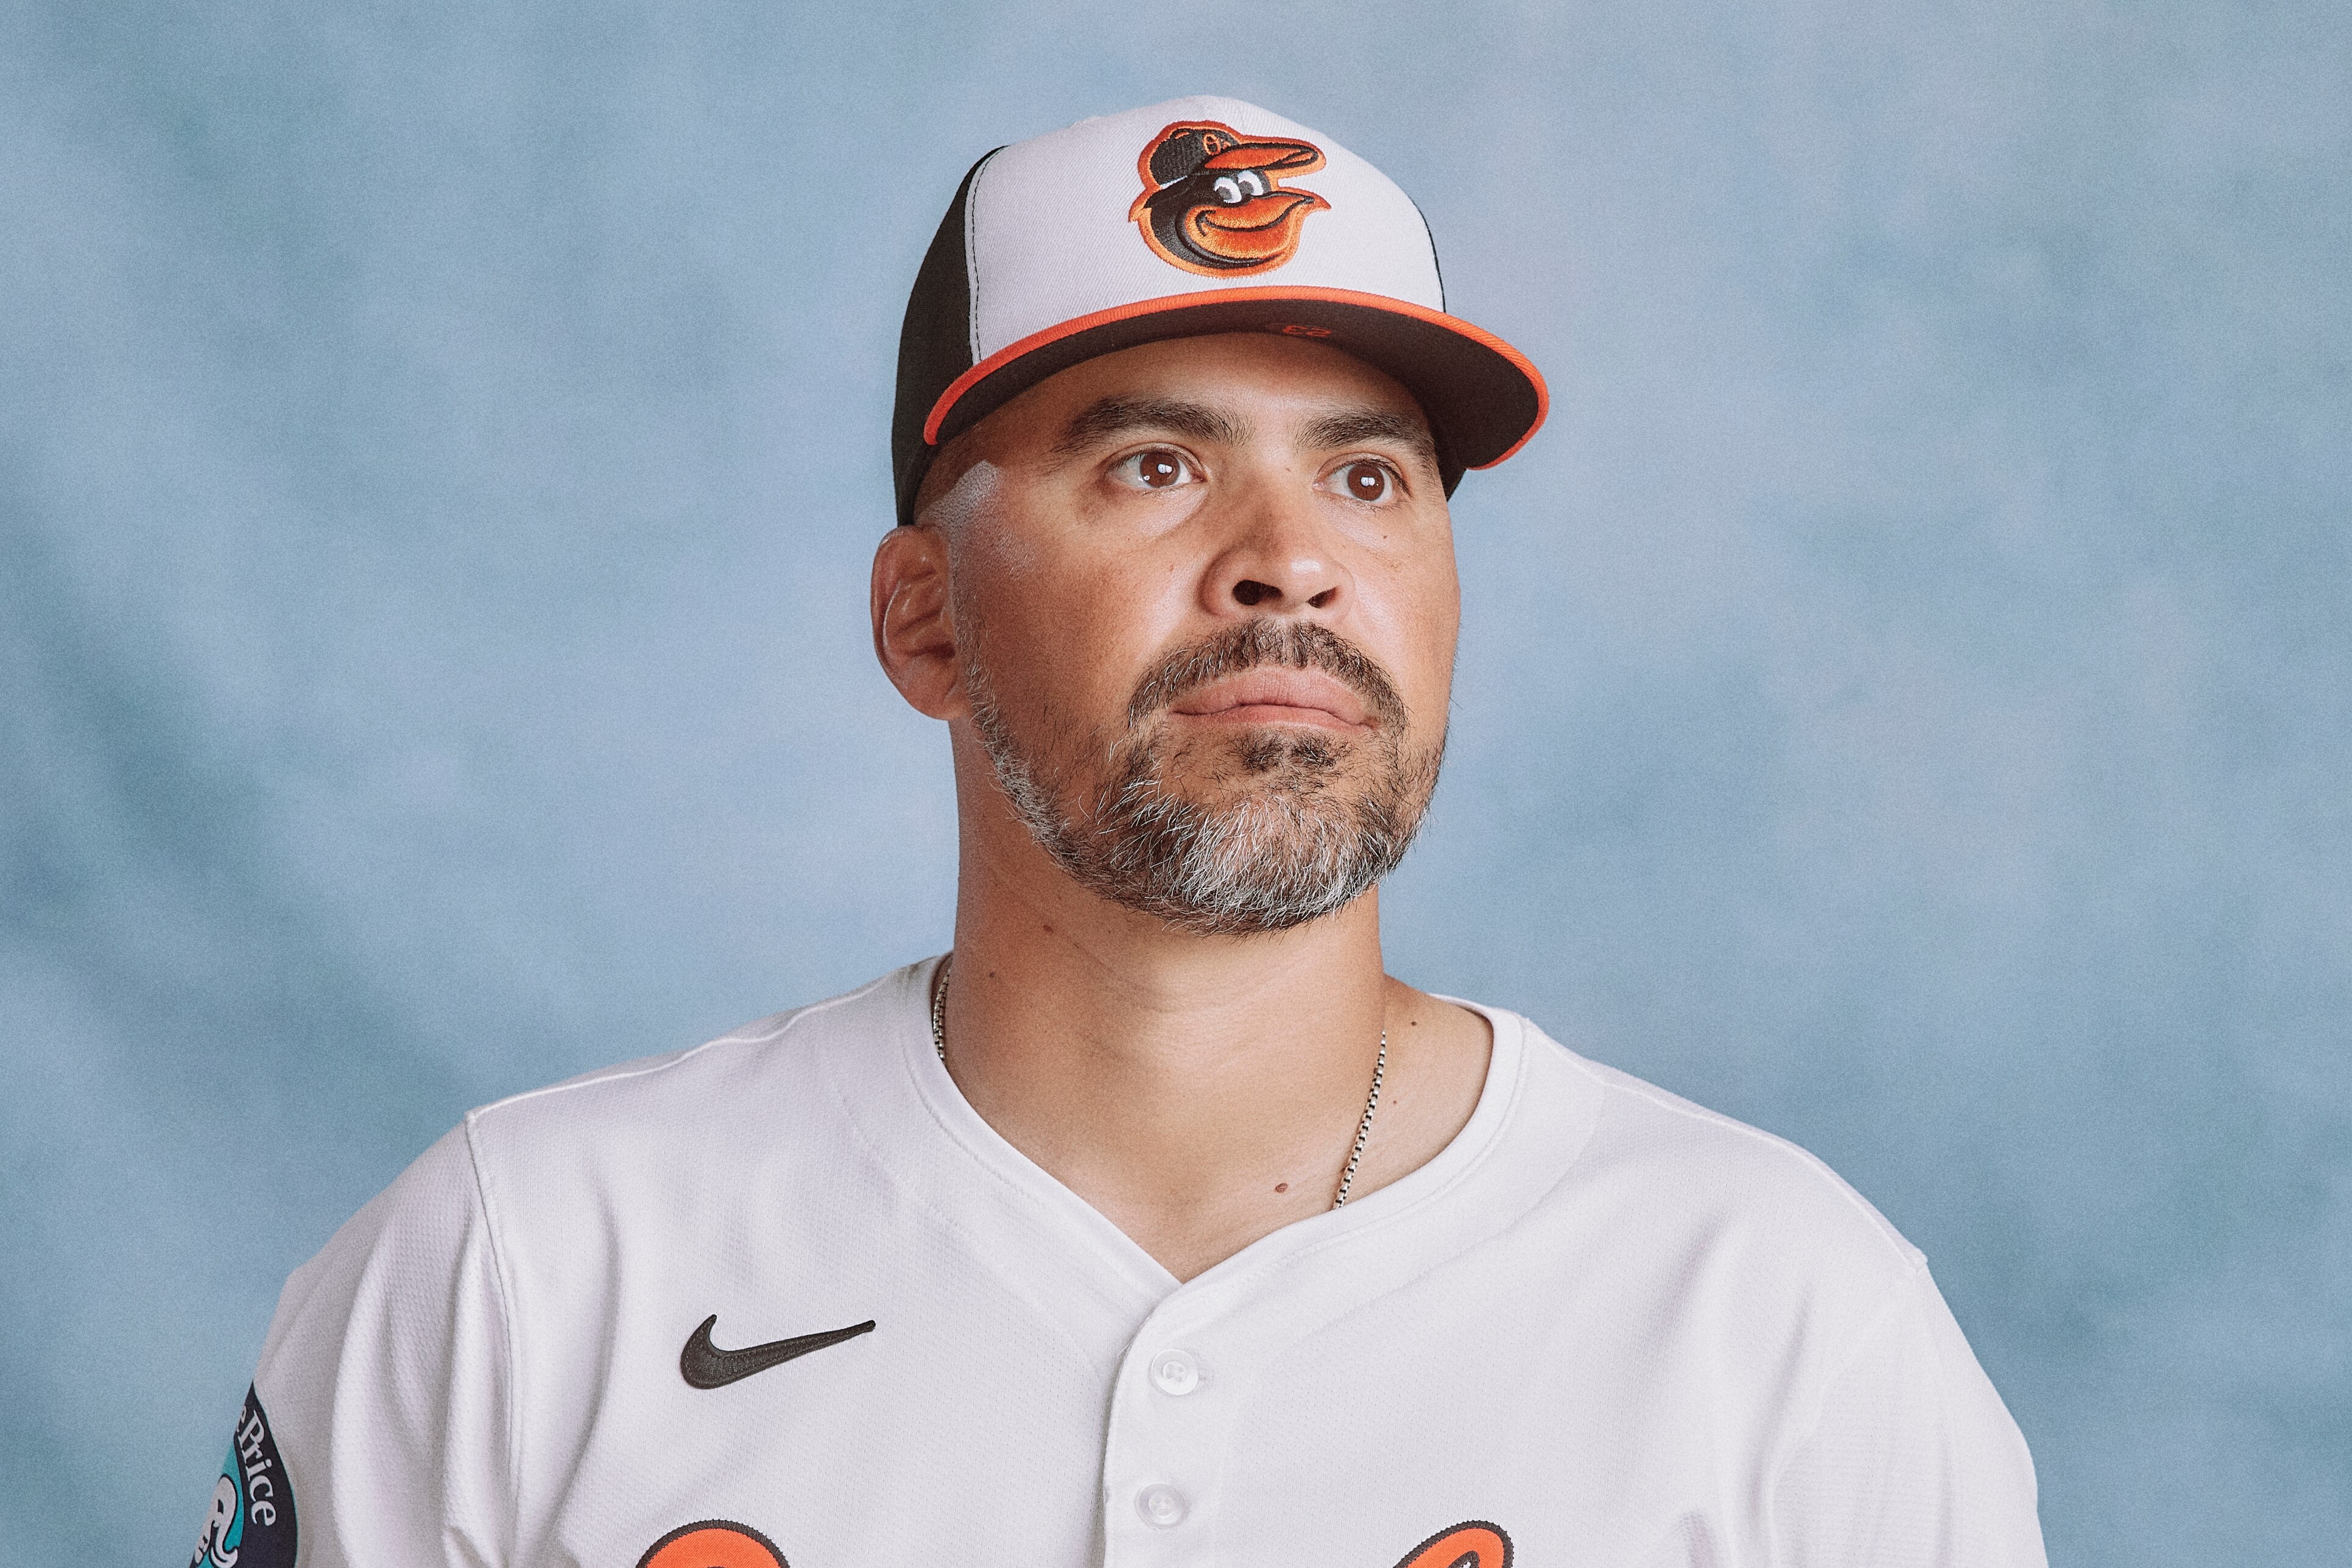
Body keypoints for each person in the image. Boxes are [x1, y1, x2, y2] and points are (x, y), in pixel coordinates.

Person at [192, 96, 2047, 1568]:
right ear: (926, 619)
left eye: (1370, 473)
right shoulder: (525, 1267)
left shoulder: (1782, 1316)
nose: (1289, 560)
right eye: (1154, 464)